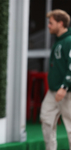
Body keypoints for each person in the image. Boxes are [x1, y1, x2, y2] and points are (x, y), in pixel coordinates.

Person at [40, 9, 71, 150]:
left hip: (66, 92)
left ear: (61, 23)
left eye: (51, 23)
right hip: (53, 92)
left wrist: (64, 87)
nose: (48, 26)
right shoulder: (59, 40)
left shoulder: (69, 41)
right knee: (46, 119)